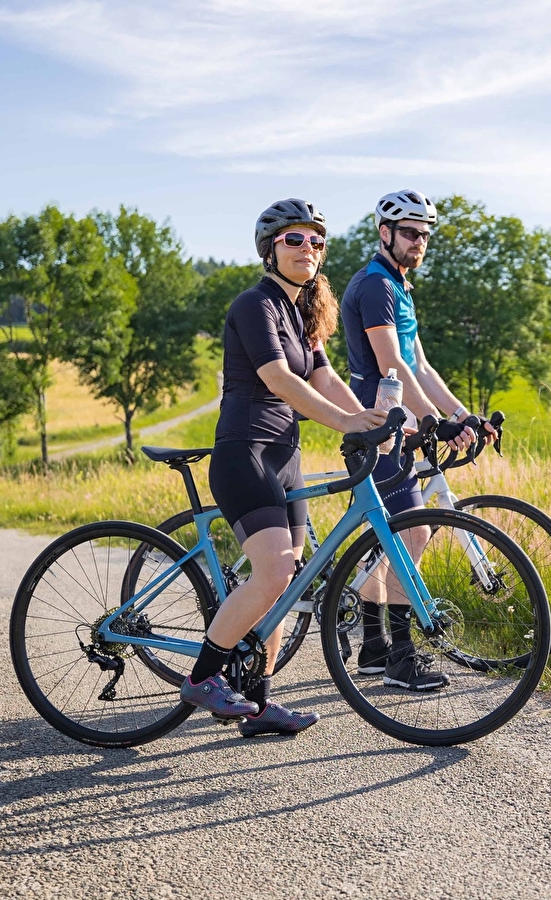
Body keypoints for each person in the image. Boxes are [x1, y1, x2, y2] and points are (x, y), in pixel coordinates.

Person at [180, 198, 388, 737]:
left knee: (288, 583)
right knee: (273, 571)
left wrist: (378, 420)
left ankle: (259, 700)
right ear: (270, 248)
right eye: (294, 239)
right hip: (246, 452)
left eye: (316, 240)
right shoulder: (256, 305)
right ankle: (204, 676)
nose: (308, 248)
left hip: (285, 457)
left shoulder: (301, 315)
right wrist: (347, 423)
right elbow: (279, 380)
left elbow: (323, 379)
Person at [339, 189, 494, 691]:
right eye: (410, 233)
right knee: (411, 534)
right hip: (381, 422)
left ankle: (373, 648)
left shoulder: (399, 287)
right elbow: (393, 366)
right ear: (385, 233)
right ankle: (400, 659)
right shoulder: (375, 286)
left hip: (400, 423)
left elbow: (422, 366)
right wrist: (434, 422)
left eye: (425, 235)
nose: (419, 242)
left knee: (396, 536)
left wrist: (460, 414)